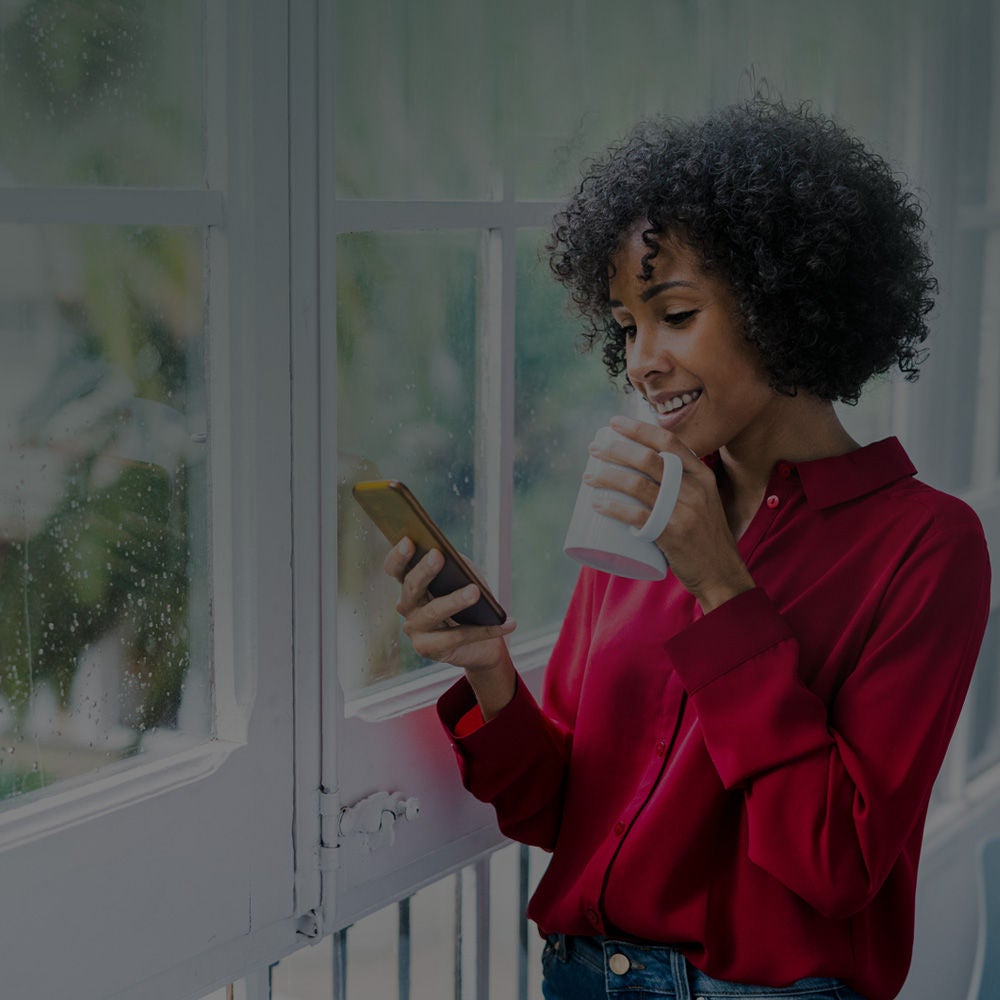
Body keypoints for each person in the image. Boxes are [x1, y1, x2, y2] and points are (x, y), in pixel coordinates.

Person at [384, 99, 991, 1000]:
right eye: (627, 326)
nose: (639, 362)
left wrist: (718, 582)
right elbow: (565, 811)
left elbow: (836, 864)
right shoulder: (641, 510)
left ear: (786, 300)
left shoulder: (928, 546)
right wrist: (489, 671)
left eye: (674, 314)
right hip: (581, 979)